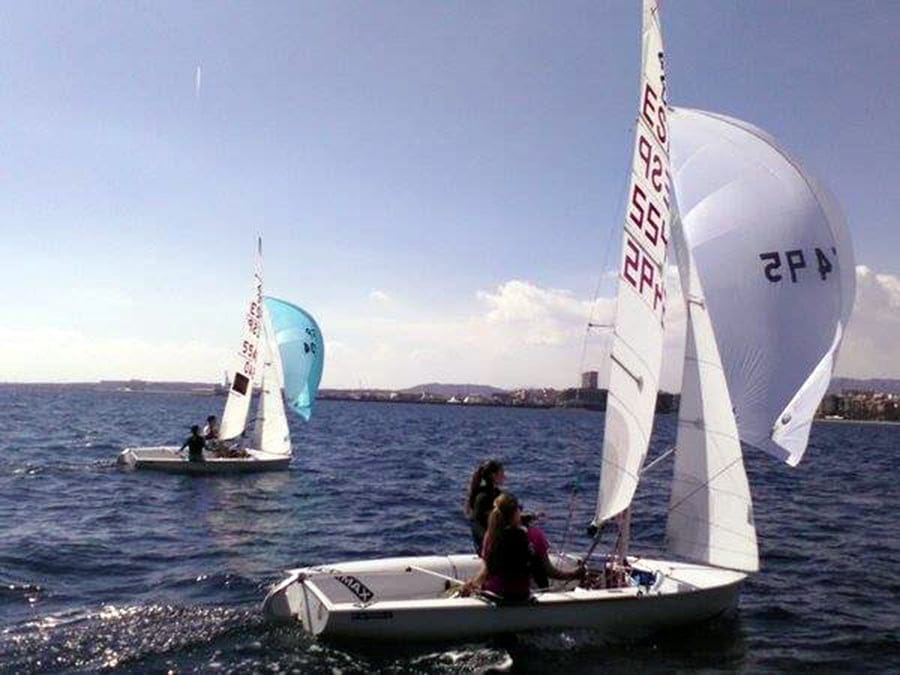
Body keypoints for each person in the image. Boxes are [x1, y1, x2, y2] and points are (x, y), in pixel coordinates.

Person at [463, 494, 584, 601]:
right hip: (520, 595)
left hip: (494, 594)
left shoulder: (491, 535)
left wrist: (471, 584)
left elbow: (486, 571)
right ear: (516, 513)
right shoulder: (533, 534)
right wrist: (573, 575)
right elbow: (549, 571)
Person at [464, 459, 505, 554]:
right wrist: (488, 543)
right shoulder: (483, 497)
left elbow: (507, 515)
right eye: (501, 473)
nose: (504, 477)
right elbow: (476, 523)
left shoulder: (497, 494)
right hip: (487, 546)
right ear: (493, 475)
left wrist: (529, 517)